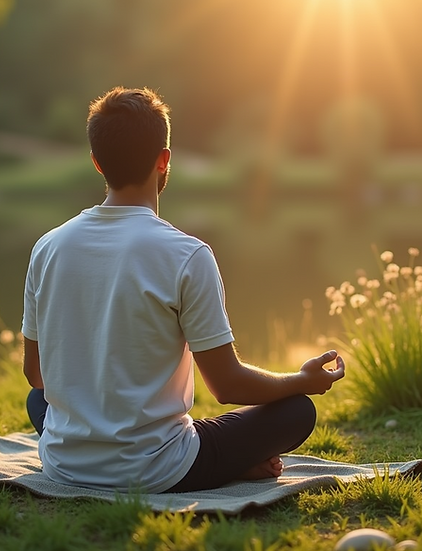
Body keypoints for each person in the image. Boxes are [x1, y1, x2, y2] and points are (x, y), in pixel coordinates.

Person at [21, 86, 345, 494]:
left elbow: (36, 376)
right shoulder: (186, 255)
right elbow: (228, 386)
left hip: (64, 464)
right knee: (296, 411)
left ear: (97, 163)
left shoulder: (47, 247)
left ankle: (211, 460)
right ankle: (230, 464)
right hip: (156, 469)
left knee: (39, 403)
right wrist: (301, 380)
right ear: (164, 160)